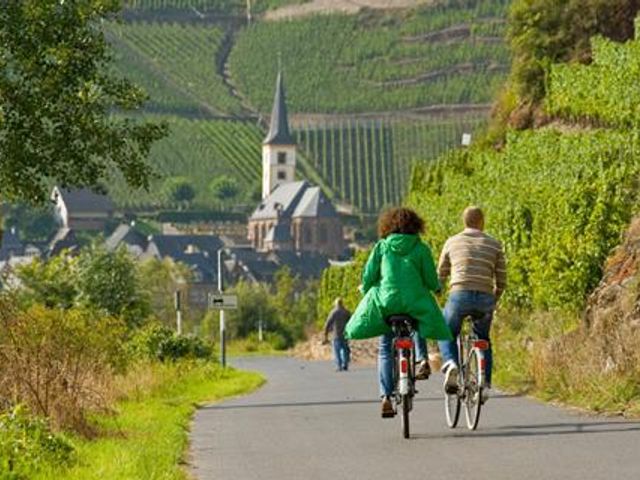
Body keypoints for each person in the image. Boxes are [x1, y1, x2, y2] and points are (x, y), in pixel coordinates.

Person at [344, 207, 452, 418]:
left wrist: (365, 288)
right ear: (415, 225)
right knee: (421, 318)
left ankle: (385, 396)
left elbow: (368, 276)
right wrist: (436, 288)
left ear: (388, 225)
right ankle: (421, 359)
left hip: (388, 303)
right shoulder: (421, 248)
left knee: (385, 348)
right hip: (414, 303)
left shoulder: (382, 247)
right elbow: (430, 279)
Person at [437, 206, 507, 403]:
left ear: (464, 221)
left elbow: (440, 274)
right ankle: (485, 385)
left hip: (459, 296)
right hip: (485, 297)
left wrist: (438, 294)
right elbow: (502, 279)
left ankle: (450, 363)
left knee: (446, 331)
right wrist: (495, 297)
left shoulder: (452, 242)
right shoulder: (494, 244)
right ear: (482, 222)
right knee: (483, 338)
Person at [323, 298, 352, 372]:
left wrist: (325, 334)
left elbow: (328, 323)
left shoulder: (333, 312)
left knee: (337, 352)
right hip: (345, 334)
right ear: (342, 303)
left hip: (336, 335)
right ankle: (345, 364)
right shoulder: (346, 312)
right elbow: (351, 321)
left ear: (336, 304)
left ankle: (339, 365)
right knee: (345, 350)